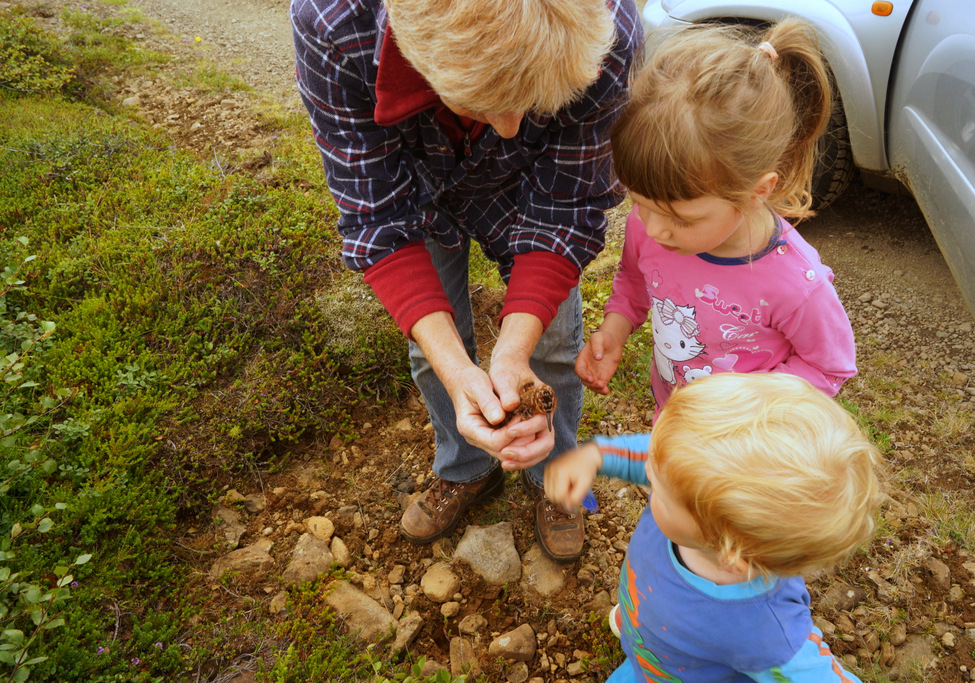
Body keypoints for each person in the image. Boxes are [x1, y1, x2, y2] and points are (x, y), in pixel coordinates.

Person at [291, 0, 642, 562]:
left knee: (551, 349)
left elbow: (566, 207)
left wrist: (514, 350)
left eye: (531, 105)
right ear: (415, 58)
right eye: (488, 104)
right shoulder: (332, 23)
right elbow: (377, 214)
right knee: (433, 354)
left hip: (530, 190)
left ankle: (554, 478)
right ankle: (466, 467)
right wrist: (460, 373)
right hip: (414, 182)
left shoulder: (606, 25)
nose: (509, 128)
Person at [575, 20, 856, 419]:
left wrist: (749, 403)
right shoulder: (652, 228)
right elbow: (635, 280)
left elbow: (830, 366)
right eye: (639, 203)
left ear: (756, 191)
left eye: (681, 219)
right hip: (675, 421)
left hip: (742, 448)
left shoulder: (796, 285)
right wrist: (615, 331)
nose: (653, 229)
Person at [544, 372, 882, 682]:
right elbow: (663, 457)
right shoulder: (694, 500)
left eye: (659, 489)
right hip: (652, 626)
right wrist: (598, 455)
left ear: (729, 552)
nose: (647, 472)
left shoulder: (764, 632)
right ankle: (646, 628)